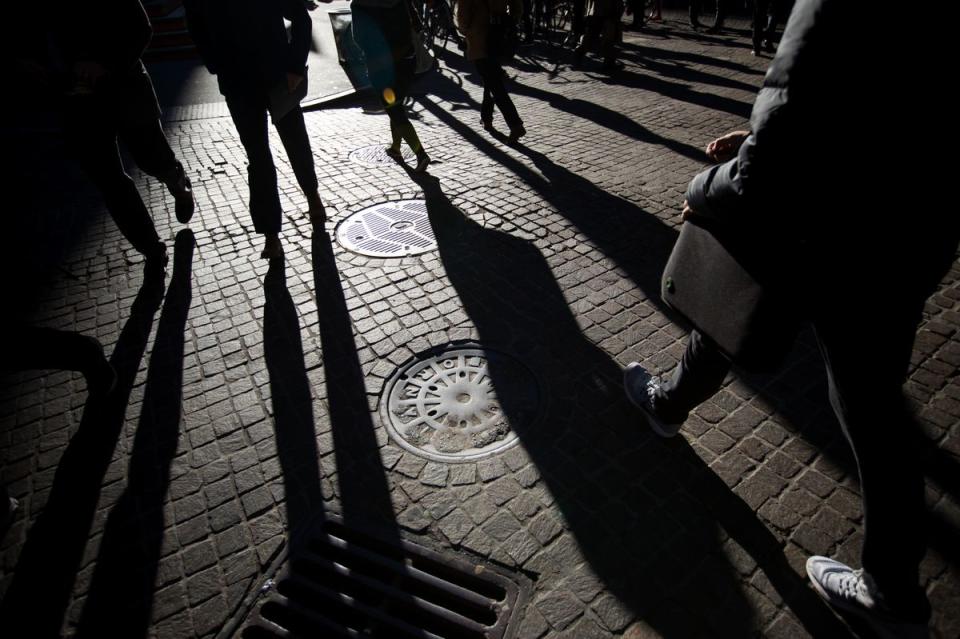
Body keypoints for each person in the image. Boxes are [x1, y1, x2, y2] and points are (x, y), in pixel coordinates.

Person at [622, 0, 958, 636]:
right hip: (913, 236)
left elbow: (782, 142)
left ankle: (666, 407)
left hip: (827, 228)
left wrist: (706, 187)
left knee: (736, 303)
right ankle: (893, 590)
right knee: (874, 408)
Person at [51, 0, 196, 272]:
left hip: (126, 89)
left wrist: (105, 65)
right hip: (79, 101)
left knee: (151, 159)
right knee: (110, 180)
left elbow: (142, 29)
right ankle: (152, 249)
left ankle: (177, 180)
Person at [183, 0, 327, 260]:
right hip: (237, 82)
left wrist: (295, 67)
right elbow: (195, 24)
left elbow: (300, 16)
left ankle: (312, 193)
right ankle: (271, 233)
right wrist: (214, 62)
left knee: (295, 140)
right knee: (258, 157)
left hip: (277, 75)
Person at [351, 0, 432, 171]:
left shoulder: (360, 4)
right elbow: (416, 24)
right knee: (396, 105)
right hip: (407, 60)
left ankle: (420, 153)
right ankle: (396, 148)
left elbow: (358, 37)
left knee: (394, 109)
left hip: (382, 67)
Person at [457, 0, 527, 141]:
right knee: (490, 77)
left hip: (479, 38)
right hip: (499, 34)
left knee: (494, 83)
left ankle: (515, 124)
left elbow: (463, 18)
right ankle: (486, 118)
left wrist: (466, 31)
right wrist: (510, 21)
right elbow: (517, 5)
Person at [572, 0, 623, 72]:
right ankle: (609, 62)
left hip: (594, 11)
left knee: (590, 34)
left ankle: (579, 52)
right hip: (608, 12)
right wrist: (618, 11)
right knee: (610, 37)